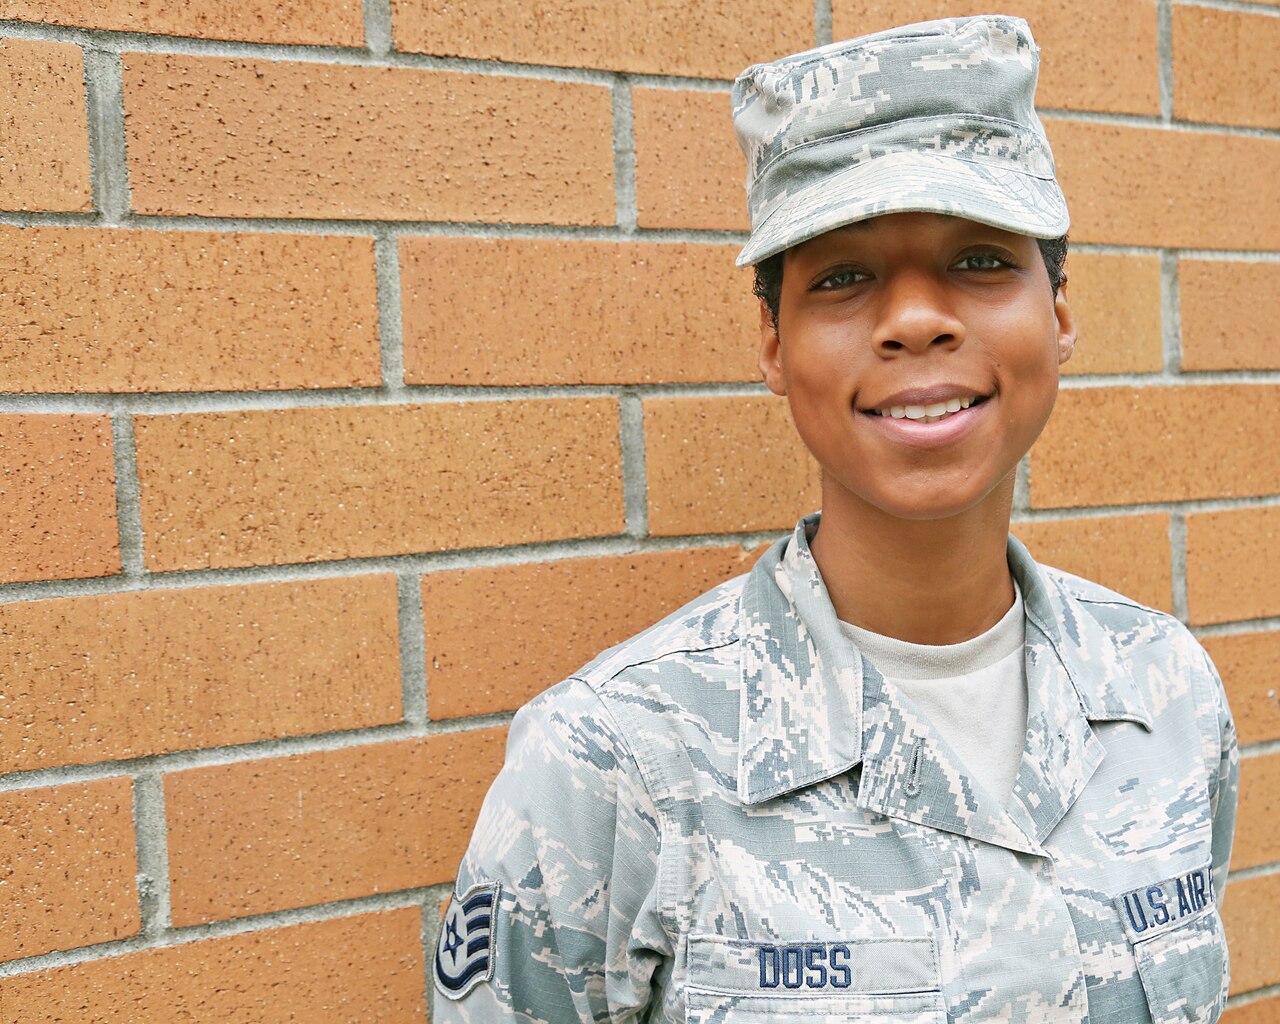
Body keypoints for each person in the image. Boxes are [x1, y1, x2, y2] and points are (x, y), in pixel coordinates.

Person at [431, 15, 1239, 1024]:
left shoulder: (1162, 694)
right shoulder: (616, 761)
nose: (913, 319)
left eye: (980, 259)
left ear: (1060, 311)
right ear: (771, 342)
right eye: (842, 277)